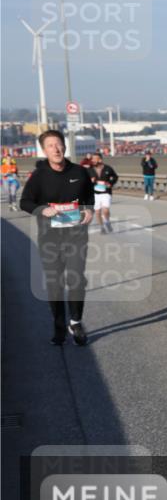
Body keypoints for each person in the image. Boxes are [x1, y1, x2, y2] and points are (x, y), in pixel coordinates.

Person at [19, 130, 95, 346]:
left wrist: (89, 211)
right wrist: (42, 210)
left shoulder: (80, 172)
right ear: (44, 150)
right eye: (51, 145)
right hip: (49, 238)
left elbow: (89, 196)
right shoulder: (39, 176)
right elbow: (25, 202)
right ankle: (59, 326)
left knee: (77, 280)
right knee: (55, 285)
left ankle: (76, 322)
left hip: (76, 235)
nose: (56, 149)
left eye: (59, 144)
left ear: (65, 147)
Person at [88, 153, 119, 234]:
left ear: (100, 160)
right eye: (92, 159)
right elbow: (85, 181)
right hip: (95, 194)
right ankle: (102, 227)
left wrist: (110, 183)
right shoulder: (89, 170)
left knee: (105, 210)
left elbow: (115, 177)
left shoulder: (108, 168)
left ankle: (107, 221)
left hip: (106, 192)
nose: (93, 160)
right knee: (97, 212)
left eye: (95, 159)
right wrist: (90, 181)